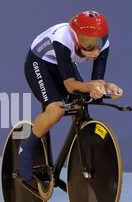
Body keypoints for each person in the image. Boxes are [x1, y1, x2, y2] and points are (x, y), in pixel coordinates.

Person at [18, 10, 123, 182]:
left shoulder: (103, 46)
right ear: (75, 37)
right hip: (39, 63)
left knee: (81, 102)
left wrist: (108, 87)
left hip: (63, 63)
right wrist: (91, 86)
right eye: (88, 44)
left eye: (98, 42)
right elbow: (70, 85)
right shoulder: (63, 40)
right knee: (56, 111)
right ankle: (27, 148)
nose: (96, 51)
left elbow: (97, 81)